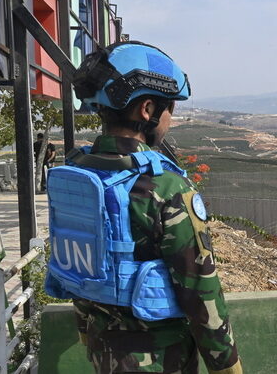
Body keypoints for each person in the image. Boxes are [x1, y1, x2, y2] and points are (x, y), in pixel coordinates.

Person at [44, 41, 241, 374]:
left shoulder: (78, 172)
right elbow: (199, 288)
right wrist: (226, 365)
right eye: (170, 110)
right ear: (147, 111)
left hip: (100, 347)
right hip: (162, 358)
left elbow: (77, 261)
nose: (169, 121)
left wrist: (83, 327)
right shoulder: (165, 186)